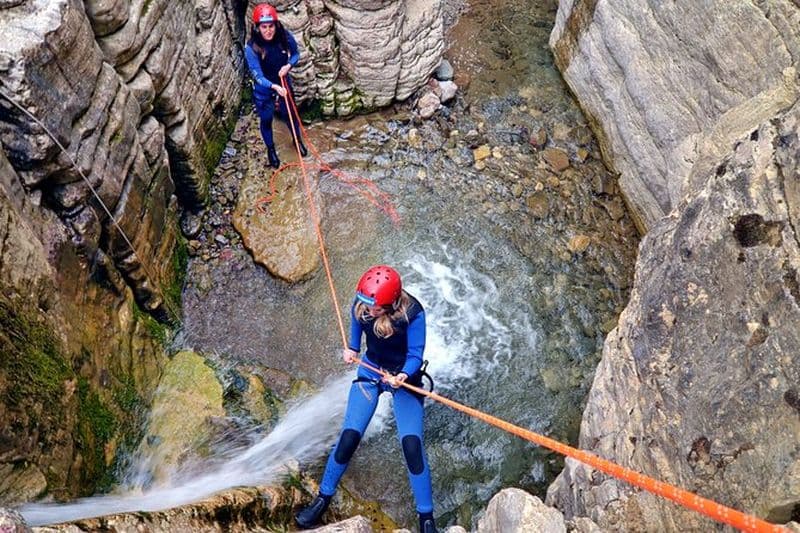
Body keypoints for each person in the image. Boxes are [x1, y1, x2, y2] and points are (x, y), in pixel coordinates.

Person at [295, 265, 438, 533]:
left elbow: (415, 355)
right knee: (349, 438)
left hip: (404, 379)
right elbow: (356, 330)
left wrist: (402, 375)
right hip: (371, 371)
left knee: (412, 447)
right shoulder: (364, 302)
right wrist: (352, 348)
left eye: (375, 308)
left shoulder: (413, 314)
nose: (368, 310)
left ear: (390, 305)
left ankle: (426, 518)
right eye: (366, 304)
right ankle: (323, 498)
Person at [244, 3, 307, 169]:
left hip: (283, 83)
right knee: (266, 119)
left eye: (270, 26)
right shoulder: (252, 48)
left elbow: (295, 54)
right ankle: (271, 150)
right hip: (264, 90)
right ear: (257, 28)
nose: (268, 31)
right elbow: (257, 75)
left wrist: (289, 65)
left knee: (290, 115)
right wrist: (274, 87)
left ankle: (297, 140)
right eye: (264, 27)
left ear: (276, 25)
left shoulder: (283, 36)